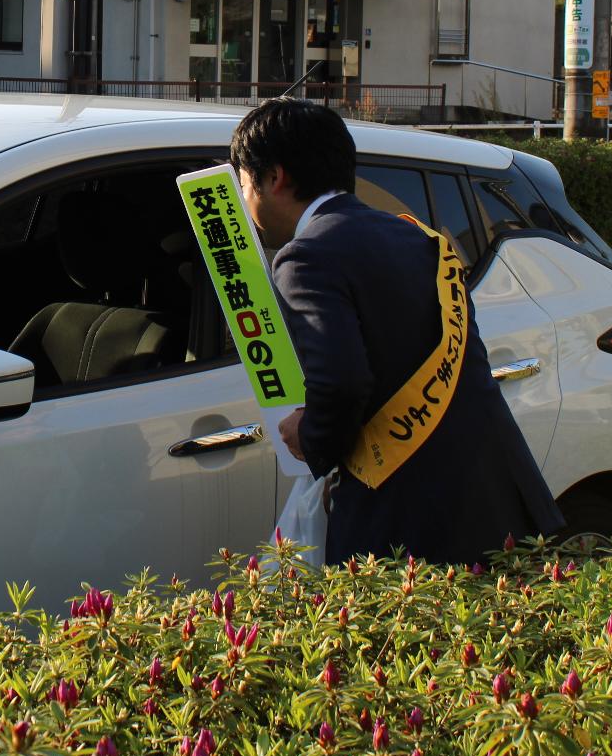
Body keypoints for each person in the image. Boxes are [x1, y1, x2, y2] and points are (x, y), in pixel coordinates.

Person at [230, 97, 562, 565]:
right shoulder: (416, 236)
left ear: (274, 177)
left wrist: (311, 437)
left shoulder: (304, 257)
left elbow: (342, 382)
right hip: (496, 498)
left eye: (244, 185)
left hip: (408, 522)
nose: (247, 202)